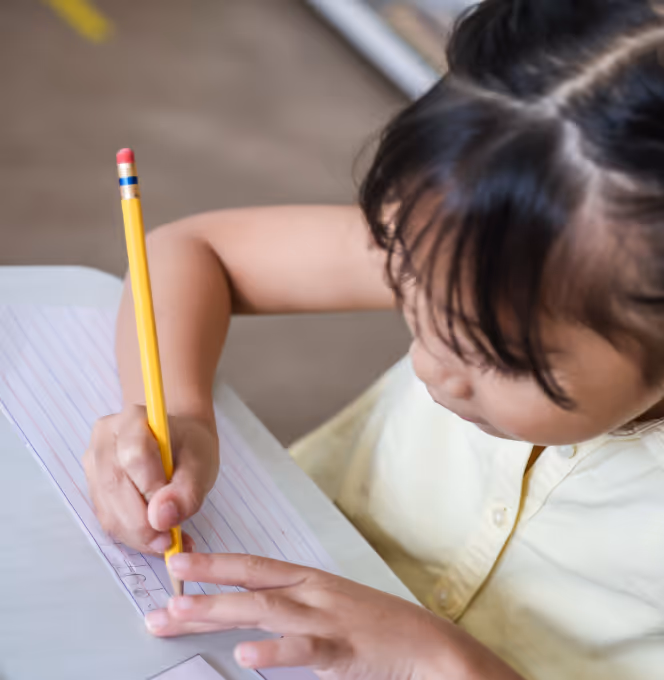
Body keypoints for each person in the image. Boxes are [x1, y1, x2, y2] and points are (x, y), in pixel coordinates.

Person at [83, 0, 664, 677]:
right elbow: (192, 252)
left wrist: (447, 662)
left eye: (493, 355)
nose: (429, 366)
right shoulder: (473, 250)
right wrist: (179, 412)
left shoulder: (592, 261)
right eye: (411, 289)